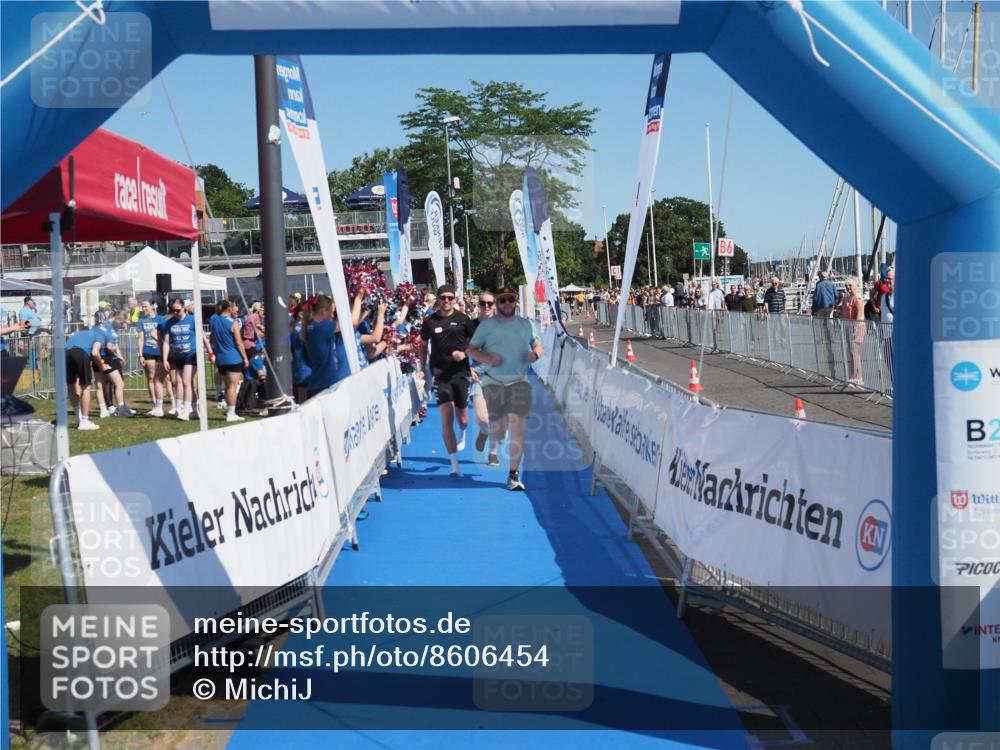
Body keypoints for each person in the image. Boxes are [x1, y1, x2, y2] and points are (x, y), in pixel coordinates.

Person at [467, 287, 544, 491]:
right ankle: (488, 433)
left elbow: (538, 345)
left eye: (510, 300)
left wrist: (534, 355)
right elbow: (471, 350)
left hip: (518, 382)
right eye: (502, 301)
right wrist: (488, 359)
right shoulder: (487, 326)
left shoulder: (526, 325)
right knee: (499, 431)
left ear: (515, 302)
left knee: (518, 427)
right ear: (498, 304)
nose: (507, 304)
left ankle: (513, 476)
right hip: (492, 382)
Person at [420, 284, 476, 478]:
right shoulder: (429, 322)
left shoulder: (463, 320)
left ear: (455, 299)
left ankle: (463, 431)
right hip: (440, 374)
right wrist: (421, 368)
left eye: (450, 298)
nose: (446, 301)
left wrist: (464, 353)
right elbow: (422, 344)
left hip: (460, 373)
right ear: (437, 299)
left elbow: (476, 344)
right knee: (446, 417)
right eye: (443, 297)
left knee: (463, 418)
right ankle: (454, 465)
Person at [209, 299, 250, 422]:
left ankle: (230, 410)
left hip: (220, 358)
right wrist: (245, 357)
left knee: (227, 386)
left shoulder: (214, 320)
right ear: (229, 309)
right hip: (233, 357)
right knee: (232, 386)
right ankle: (231, 413)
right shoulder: (234, 323)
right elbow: (238, 342)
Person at [161, 298, 199, 420]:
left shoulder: (192, 320)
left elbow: (201, 336)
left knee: (186, 382)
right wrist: (165, 359)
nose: (175, 312)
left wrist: (209, 351)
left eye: (177, 310)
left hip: (191, 354)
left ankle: (186, 410)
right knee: (186, 384)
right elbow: (166, 342)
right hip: (178, 355)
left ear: (184, 307)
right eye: (173, 310)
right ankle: (195, 410)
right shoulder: (169, 323)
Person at [469, 292, 495, 459]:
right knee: (483, 417)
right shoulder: (470, 325)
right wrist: (467, 369)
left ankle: (493, 453)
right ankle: (484, 432)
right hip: (477, 374)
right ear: (478, 304)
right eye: (483, 303)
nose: (486, 306)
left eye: (489, 303)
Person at [65, 325, 105, 430]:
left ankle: (78, 418)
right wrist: (102, 366)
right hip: (81, 354)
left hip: (66, 353)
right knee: (86, 387)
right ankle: (85, 420)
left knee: (71, 385)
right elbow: (95, 353)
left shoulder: (78, 334)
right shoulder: (99, 336)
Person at [93, 312, 133, 417]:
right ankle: (120, 408)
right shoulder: (105, 328)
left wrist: (119, 356)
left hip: (100, 358)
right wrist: (115, 354)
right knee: (118, 384)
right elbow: (109, 346)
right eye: (121, 320)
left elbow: (114, 344)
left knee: (101, 384)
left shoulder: (107, 327)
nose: (121, 323)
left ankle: (106, 410)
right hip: (107, 358)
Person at [137, 299, 169, 416]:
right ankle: (156, 405)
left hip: (160, 351)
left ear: (152, 306)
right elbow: (140, 338)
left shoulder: (161, 319)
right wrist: (140, 354)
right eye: (142, 307)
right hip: (148, 350)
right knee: (151, 377)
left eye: (145, 306)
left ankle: (175, 404)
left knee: (166, 378)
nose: (143, 309)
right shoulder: (141, 321)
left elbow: (166, 335)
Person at [841, 278, 866, 384]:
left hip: (857, 326)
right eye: (846, 285)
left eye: (850, 285)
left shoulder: (857, 298)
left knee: (854, 350)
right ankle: (854, 374)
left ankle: (857, 375)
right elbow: (843, 309)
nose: (848, 287)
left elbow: (859, 314)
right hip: (848, 325)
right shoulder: (847, 297)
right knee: (851, 351)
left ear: (855, 286)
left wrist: (855, 328)